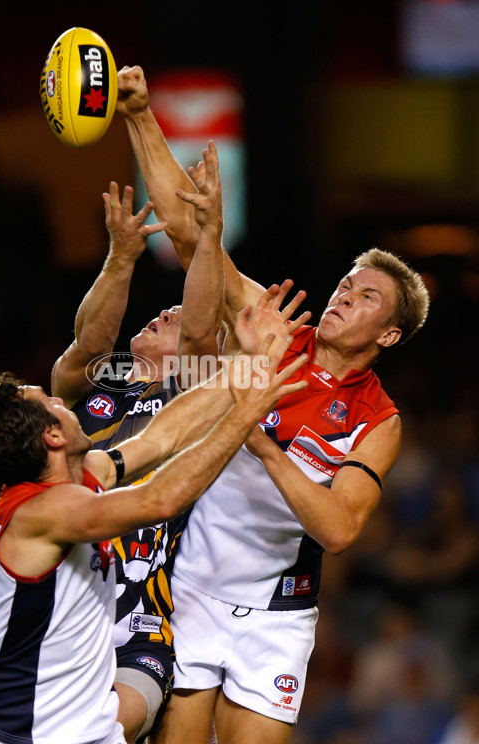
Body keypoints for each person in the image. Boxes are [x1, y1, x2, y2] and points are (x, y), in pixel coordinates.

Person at [116, 65, 431, 744]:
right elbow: (192, 238)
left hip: (278, 615)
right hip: (193, 586)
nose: (346, 295)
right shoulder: (274, 331)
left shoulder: (380, 420)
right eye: (348, 283)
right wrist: (140, 115)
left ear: (389, 334)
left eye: (367, 297)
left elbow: (339, 530)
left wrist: (257, 438)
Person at [0, 303, 309, 744]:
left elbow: (163, 436)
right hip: (17, 735)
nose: (61, 399)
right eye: (51, 403)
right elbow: (160, 499)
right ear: (53, 436)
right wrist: (241, 418)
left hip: (82, 730)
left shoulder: (84, 476)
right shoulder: (44, 513)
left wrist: (250, 367)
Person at [50, 142, 236, 742]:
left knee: (107, 729)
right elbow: (84, 349)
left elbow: (202, 332)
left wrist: (208, 236)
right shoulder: (101, 385)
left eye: (176, 313)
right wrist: (121, 258)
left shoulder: (193, 393)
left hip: (141, 618)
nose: (165, 312)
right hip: (63, 596)